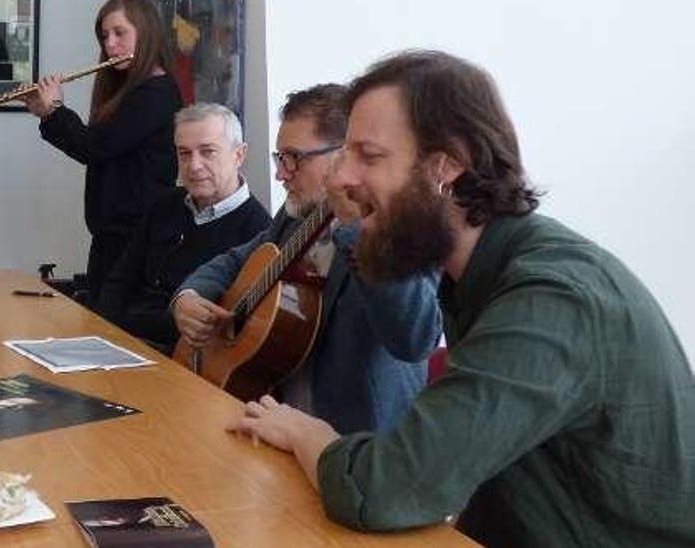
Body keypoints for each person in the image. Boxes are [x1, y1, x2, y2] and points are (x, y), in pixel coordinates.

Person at [228, 50, 695, 547]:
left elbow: (386, 487)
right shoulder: (475, 274)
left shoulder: (554, 296)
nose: (341, 179)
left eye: (370, 155)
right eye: (346, 153)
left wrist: (306, 433)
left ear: (445, 167)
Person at [174, 84, 440, 433]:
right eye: (279, 158)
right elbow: (237, 259)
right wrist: (190, 296)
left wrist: (356, 228)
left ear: (344, 155)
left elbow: (415, 339)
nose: (280, 174)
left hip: (358, 445)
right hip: (275, 424)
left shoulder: (402, 225)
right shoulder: (295, 215)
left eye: (293, 158)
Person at [22, 0, 183, 304]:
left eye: (119, 33)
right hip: (111, 236)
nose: (110, 44)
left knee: (113, 332)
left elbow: (95, 147)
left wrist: (55, 109)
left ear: (145, 33)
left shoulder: (157, 92)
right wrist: (47, 114)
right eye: (105, 36)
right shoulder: (133, 89)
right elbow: (96, 146)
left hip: (135, 239)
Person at [96, 103, 268, 352]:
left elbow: (229, 333)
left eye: (207, 152)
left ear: (238, 155)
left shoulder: (258, 233)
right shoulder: (164, 205)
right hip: (120, 343)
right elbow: (120, 281)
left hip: (181, 360)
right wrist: (101, 334)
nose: (194, 165)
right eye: (184, 153)